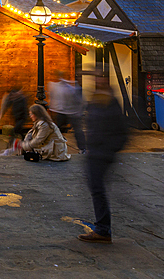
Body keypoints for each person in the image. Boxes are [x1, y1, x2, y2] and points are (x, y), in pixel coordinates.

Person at [79, 76, 128, 244]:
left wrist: (107, 148)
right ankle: (102, 229)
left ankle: (103, 230)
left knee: (97, 189)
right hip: (96, 152)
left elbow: (122, 132)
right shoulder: (97, 102)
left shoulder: (110, 104)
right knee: (96, 188)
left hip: (102, 153)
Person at [49, 76, 86, 153]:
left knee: (58, 129)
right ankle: (82, 148)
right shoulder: (72, 87)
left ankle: (82, 148)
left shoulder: (72, 88)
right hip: (69, 112)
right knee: (75, 130)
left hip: (69, 112)